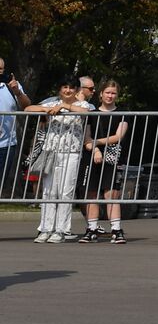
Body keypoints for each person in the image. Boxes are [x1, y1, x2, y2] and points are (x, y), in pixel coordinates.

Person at [26, 75, 94, 242]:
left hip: (71, 153)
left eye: (71, 87)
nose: (68, 90)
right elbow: (28, 109)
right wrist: (45, 110)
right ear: (60, 89)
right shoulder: (52, 103)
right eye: (64, 87)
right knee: (49, 191)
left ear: (77, 90)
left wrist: (65, 106)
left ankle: (62, 229)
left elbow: (87, 112)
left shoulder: (83, 104)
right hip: (51, 152)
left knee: (65, 191)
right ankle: (46, 228)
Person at [79, 79, 129, 243]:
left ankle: (116, 229)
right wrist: (95, 150)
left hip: (113, 157)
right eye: (107, 92)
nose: (110, 95)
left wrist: (97, 143)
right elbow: (87, 137)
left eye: (113, 93)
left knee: (111, 193)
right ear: (101, 94)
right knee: (92, 193)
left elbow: (118, 136)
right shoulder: (92, 115)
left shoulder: (122, 113)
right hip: (92, 156)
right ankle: (91, 228)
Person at [0, 55, 33, 193]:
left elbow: (26, 105)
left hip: (6, 144)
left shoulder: (12, 85)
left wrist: (17, 92)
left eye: (1, 69)